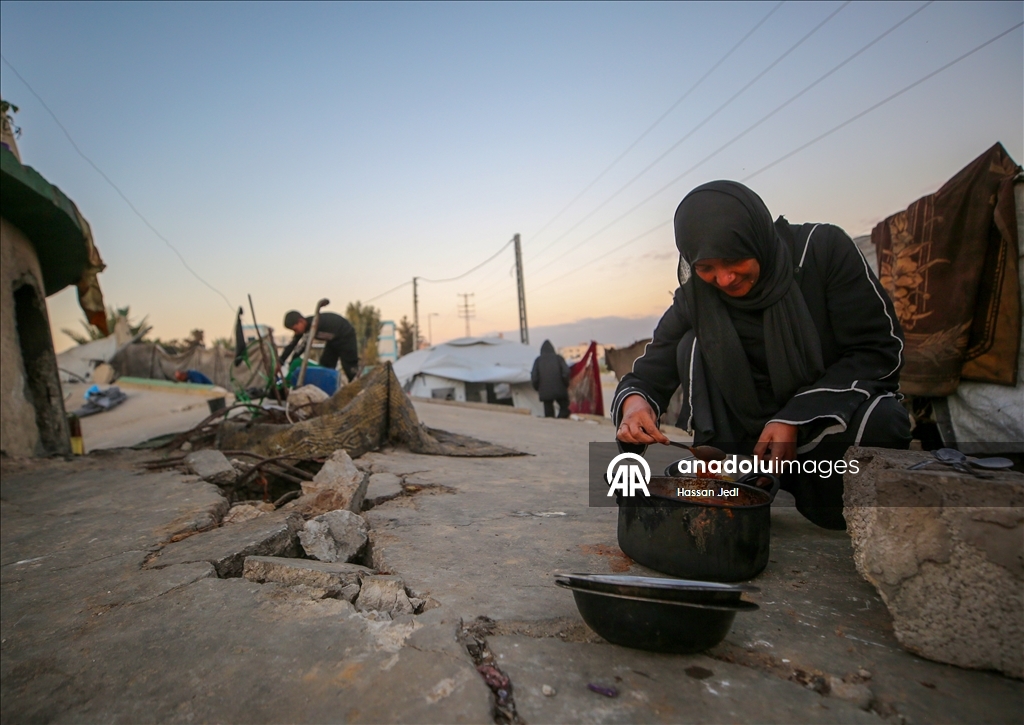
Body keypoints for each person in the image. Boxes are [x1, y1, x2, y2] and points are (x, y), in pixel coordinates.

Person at [613, 181, 911, 529]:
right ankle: (742, 478)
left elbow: (878, 349)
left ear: (756, 236)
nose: (723, 279)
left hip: (822, 424)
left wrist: (794, 418)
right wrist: (635, 405)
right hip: (744, 442)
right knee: (690, 343)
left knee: (883, 419)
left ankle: (814, 490)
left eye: (734, 259)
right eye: (706, 267)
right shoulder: (697, 296)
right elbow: (650, 371)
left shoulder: (822, 252)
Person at [281, 310, 360, 383]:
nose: (296, 332)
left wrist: (293, 360)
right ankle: (329, 390)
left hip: (346, 336)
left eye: (295, 329)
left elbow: (303, 346)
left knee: (350, 367)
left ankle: (358, 387)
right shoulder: (305, 327)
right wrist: (281, 360)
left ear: (301, 321)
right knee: (325, 367)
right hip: (332, 341)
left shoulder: (314, 324)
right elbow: (292, 344)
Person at [531, 340, 571, 418]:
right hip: (560, 389)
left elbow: (534, 377)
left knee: (548, 413)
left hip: (545, 391)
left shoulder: (538, 360)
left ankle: (552, 426)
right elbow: (566, 372)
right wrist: (566, 384)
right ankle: (560, 421)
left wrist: (537, 388)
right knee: (565, 408)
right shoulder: (559, 358)